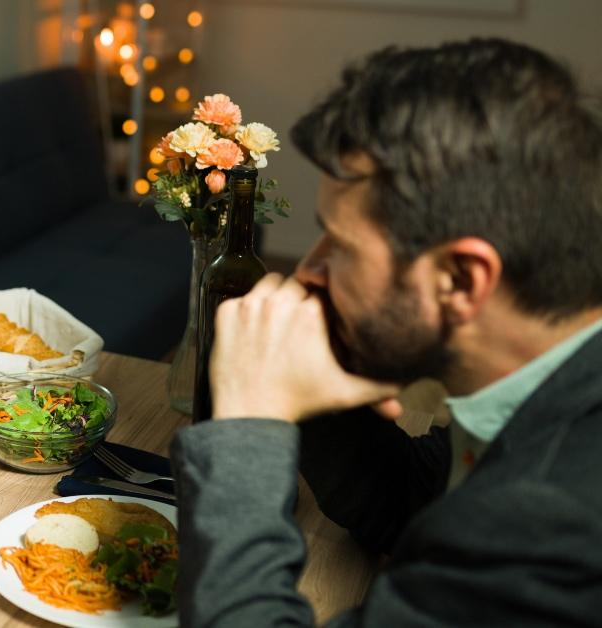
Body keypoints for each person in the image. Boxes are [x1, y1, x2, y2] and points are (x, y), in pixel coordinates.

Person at [171, 38, 602, 625]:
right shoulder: (552, 377)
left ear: (460, 279)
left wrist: (249, 422)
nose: (309, 270)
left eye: (340, 246)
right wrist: (309, 374)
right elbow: (413, 499)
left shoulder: (551, 522)